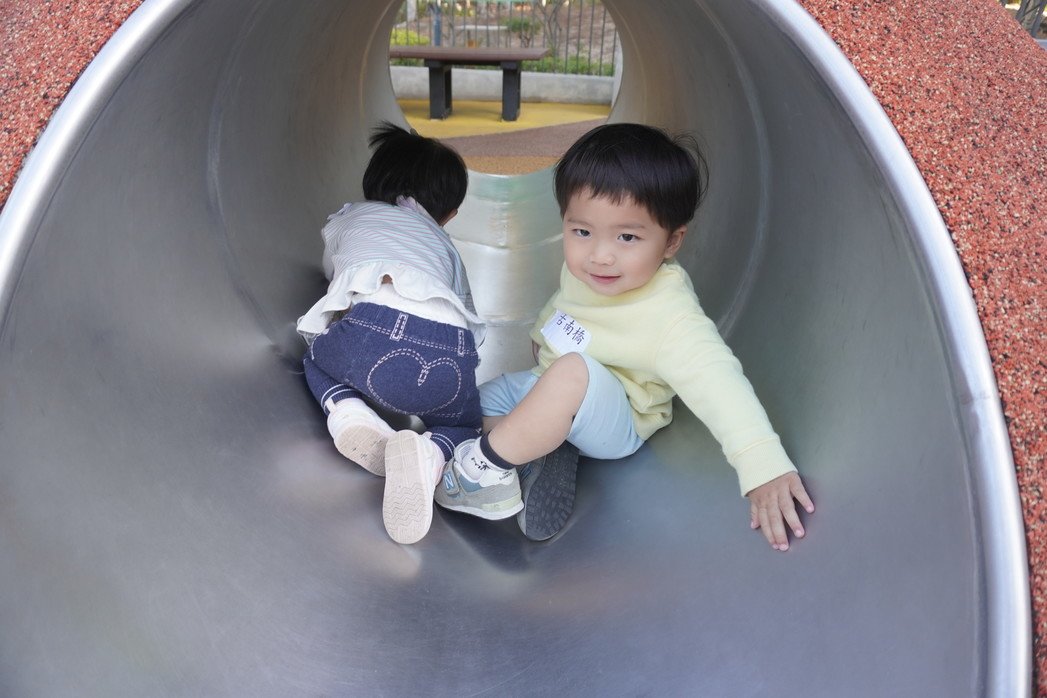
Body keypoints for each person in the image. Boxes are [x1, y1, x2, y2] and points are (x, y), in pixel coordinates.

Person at [435, 123, 814, 548]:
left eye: (628, 237)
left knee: (572, 373)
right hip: (550, 385)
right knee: (470, 401)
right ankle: (536, 448)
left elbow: (719, 382)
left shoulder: (671, 316)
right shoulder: (590, 270)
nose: (600, 255)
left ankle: (477, 474)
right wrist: (543, 333)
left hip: (619, 417)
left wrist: (763, 465)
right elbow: (566, 303)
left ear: (671, 242)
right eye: (582, 232)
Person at [297, 122, 514, 545]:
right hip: (449, 351)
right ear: (449, 215)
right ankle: (429, 453)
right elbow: (467, 316)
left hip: (369, 332)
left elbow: (335, 275)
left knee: (315, 357)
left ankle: (350, 414)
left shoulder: (351, 216)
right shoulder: (445, 246)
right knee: (465, 426)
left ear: (372, 184)